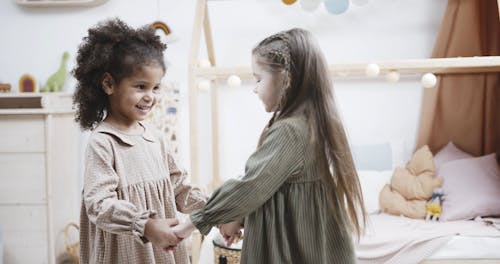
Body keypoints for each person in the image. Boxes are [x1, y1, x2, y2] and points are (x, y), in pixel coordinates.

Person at [173, 28, 366, 263]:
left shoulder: (291, 131)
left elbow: (251, 185)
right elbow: (272, 189)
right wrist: (237, 216)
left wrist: (191, 223)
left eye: (258, 79)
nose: (254, 88)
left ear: (286, 79)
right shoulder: (309, 123)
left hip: (293, 249)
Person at [73, 18, 206, 264]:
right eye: (141, 86)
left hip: (162, 252)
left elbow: (179, 187)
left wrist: (214, 211)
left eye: (155, 88)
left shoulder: (154, 136)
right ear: (109, 84)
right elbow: (99, 204)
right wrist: (144, 225)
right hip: (126, 254)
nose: (150, 97)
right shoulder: (103, 142)